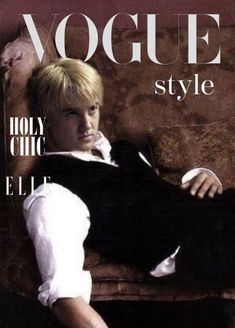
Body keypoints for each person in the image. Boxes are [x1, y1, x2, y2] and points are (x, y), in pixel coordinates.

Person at [24, 58, 233, 328]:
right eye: (71, 113)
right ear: (46, 120)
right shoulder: (52, 190)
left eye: (92, 109)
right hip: (203, 248)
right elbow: (64, 297)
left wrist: (205, 175)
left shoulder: (120, 149)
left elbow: (156, 191)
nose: (87, 124)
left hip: (221, 210)